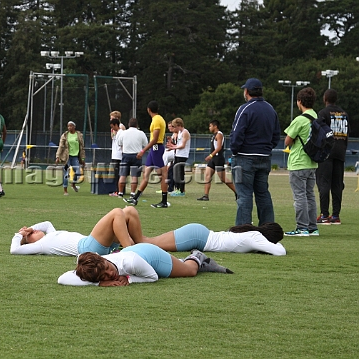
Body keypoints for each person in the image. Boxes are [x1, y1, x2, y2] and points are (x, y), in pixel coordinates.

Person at [57, 244, 232, 287]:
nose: (109, 275)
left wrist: (128, 279)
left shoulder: (130, 262)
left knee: (189, 271)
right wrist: (100, 283)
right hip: (136, 253)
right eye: (103, 276)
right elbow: (62, 278)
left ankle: (197, 256)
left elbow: (153, 277)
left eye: (108, 270)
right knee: (180, 266)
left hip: (151, 257)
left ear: (103, 260)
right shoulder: (90, 264)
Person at [230, 78, 281, 225]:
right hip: (264, 157)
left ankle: (243, 230)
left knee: (244, 195)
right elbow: (276, 134)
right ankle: (268, 228)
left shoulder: (245, 109)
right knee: (263, 193)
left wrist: (235, 150)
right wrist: (266, 148)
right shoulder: (270, 109)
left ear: (247, 91)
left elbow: (237, 133)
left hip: (244, 158)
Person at [10, 207, 146, 256]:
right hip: (88, 247)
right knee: (117, 212)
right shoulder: (40, 246)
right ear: (29, 243)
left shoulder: (51, 233)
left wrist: (30, 229)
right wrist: (19, 235)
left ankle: (139, 246)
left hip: (97, 245)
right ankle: (132, 253)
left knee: (129, 211)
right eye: (30, 236)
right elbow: (14, 250)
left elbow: (46, 224)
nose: (32, 232)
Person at [283, 87, 318, 237]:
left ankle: (302, 227)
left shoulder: (300, 119)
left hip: (298, 162)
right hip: (312, 163)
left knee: (300, 196)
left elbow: (287, 140)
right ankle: (312, 227)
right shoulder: (317, 117)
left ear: (299, 102)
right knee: (310, 195)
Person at [124, 101, 169, 208]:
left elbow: (155, 139)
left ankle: (164, 201)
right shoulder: (157, 119)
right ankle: (135, 198)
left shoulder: (157, 120)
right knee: (146, 174)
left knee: (163, 175)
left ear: (148, 109)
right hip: (154, 149)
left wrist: (143, 151)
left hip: (157, 148)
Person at [142, 222, 285, 255]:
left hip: (199, 234)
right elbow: (280, 252)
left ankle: (122, 234)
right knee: (148, 243)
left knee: (147, 241)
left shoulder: (253, 233)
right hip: (197, 238)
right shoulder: (256, 237)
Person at [316, 89, 349, 225]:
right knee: (337, 184)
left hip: (326, 152)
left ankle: (324, 215)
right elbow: (347, 132)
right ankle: (336, 216)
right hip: (340, 151)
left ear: (325, 99)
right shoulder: (344, 114)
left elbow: (318, 132)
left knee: (324, 183)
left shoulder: (323, 113)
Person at [197, 120, 237, 201]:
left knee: (223, 178)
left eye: (210, 126)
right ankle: (206, 196)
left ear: (215, 126)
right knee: (207, 176)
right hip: (213, 159)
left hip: (218, 159)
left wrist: (211, 155)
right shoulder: (214, 135)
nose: (209, 128)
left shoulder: (219, 134)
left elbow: (219, 147)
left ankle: (238, 192)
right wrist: (211, 157)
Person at [116, 117, 147, 197]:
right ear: (137, 125)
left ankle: (120, 192)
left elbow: (119, 143)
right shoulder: (141, 133)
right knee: (134, 175)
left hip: (126, 155)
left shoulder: (124, 133)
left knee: (123, 175)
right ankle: (133, 193)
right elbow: (146, 144)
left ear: (129, 124)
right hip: (137, 155)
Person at [56, 121, 85, 195]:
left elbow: (82, 147)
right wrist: (58, 156)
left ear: (74, 127)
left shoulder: (79, 135)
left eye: (71, 126)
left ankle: (73, 184)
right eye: (68, 126)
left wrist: (83, 158)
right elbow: (61, 146)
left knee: (78, 172)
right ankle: (65, 190)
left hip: (75, 157)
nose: (69, 127)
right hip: (67, 157)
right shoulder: (65, 135)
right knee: (66, 174)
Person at [166, 117, 191, 196]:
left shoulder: (185, 132)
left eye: (175, 126)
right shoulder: (180, 133)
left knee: (180, 173)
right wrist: (172, 146)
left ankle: (181, 190)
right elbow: (178, 145)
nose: (174, 128)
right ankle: (177, 189)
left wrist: (173, 147)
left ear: (179, 125)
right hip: (178, 154)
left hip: (183, 155)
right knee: (175, 171)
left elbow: (183, 145)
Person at [109, 115, 124, 197]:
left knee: (119, 174)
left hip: (119, 155)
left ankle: (119, 191)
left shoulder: (121, 128)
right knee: (116, 174)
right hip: (115, 154)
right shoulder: (115, 131)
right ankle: (118, 190)